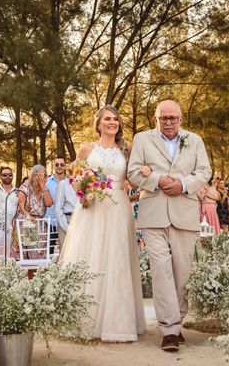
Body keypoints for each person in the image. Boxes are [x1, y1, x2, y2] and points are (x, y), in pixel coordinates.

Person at [127, 100, 211, 351]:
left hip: (184, 213)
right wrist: (158, 179)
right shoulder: (142, 139)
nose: (169, 123)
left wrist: (183, 185)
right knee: (161, 270)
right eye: (164, 118)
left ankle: (177, 319)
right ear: (156, 119)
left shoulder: (195, 140)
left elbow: (204, 172)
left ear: (181, 119)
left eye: (173, 118)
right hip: (153, 214)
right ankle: (169, 330)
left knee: (182, 272)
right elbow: (132, 173)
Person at [60, 105, 146, 342]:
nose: (112, 122)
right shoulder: (87, 148)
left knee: (117, 259)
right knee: (90, 256)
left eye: (115, 119)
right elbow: (75, 176)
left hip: (118, 207)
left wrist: (147, 171)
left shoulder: (125, 150)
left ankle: (117, 323)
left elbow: (132, 176)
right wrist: (83, 191)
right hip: (92, 208)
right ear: (98, 124)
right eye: (107, 119)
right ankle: (84, 319)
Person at [13, 165, 52, 260]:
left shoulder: (45, 190)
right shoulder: (25, 188)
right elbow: (20, 205)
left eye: (45, 176)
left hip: (40, 225)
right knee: (25, 256)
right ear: (34, 176)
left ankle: (37, 273)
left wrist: (43, 187)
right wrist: (27, 216)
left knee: (39, 256)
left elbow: (49, 203)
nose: (43, 178)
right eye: (40, 176)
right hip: (26, 223)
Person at [46, 157, 66, 253]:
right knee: (49, 250)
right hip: (51, 221)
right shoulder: (47, 182)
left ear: (65, 166)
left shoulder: (70, 182)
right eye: (57, 164)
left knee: (66, 249)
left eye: (62, 164)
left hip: (66, 220)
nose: (59, 167)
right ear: (53, 166)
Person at [53, 172, 78, 248]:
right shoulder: (63, 184)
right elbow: (57, 208)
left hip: (81, 221)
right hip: (66, 220)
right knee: (65, 254)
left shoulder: (87, 185)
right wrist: (67, 227)